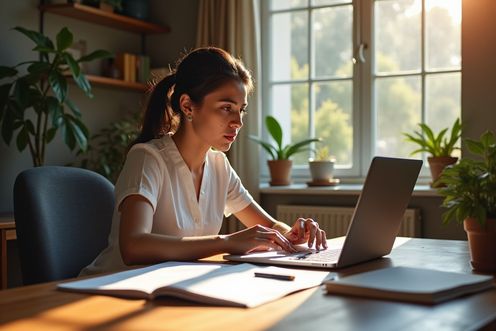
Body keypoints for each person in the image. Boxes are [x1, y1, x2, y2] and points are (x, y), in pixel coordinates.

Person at [81, 47, 327, 276]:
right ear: (188, 106)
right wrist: (227, 241)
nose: (238, 122)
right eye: (226, 108)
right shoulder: (147, 158)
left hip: (170, 289)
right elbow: (134, 246)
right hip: (108, 290)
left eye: (241, 109)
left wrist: (294, 233)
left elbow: (269, 226)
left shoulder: (219, 165)